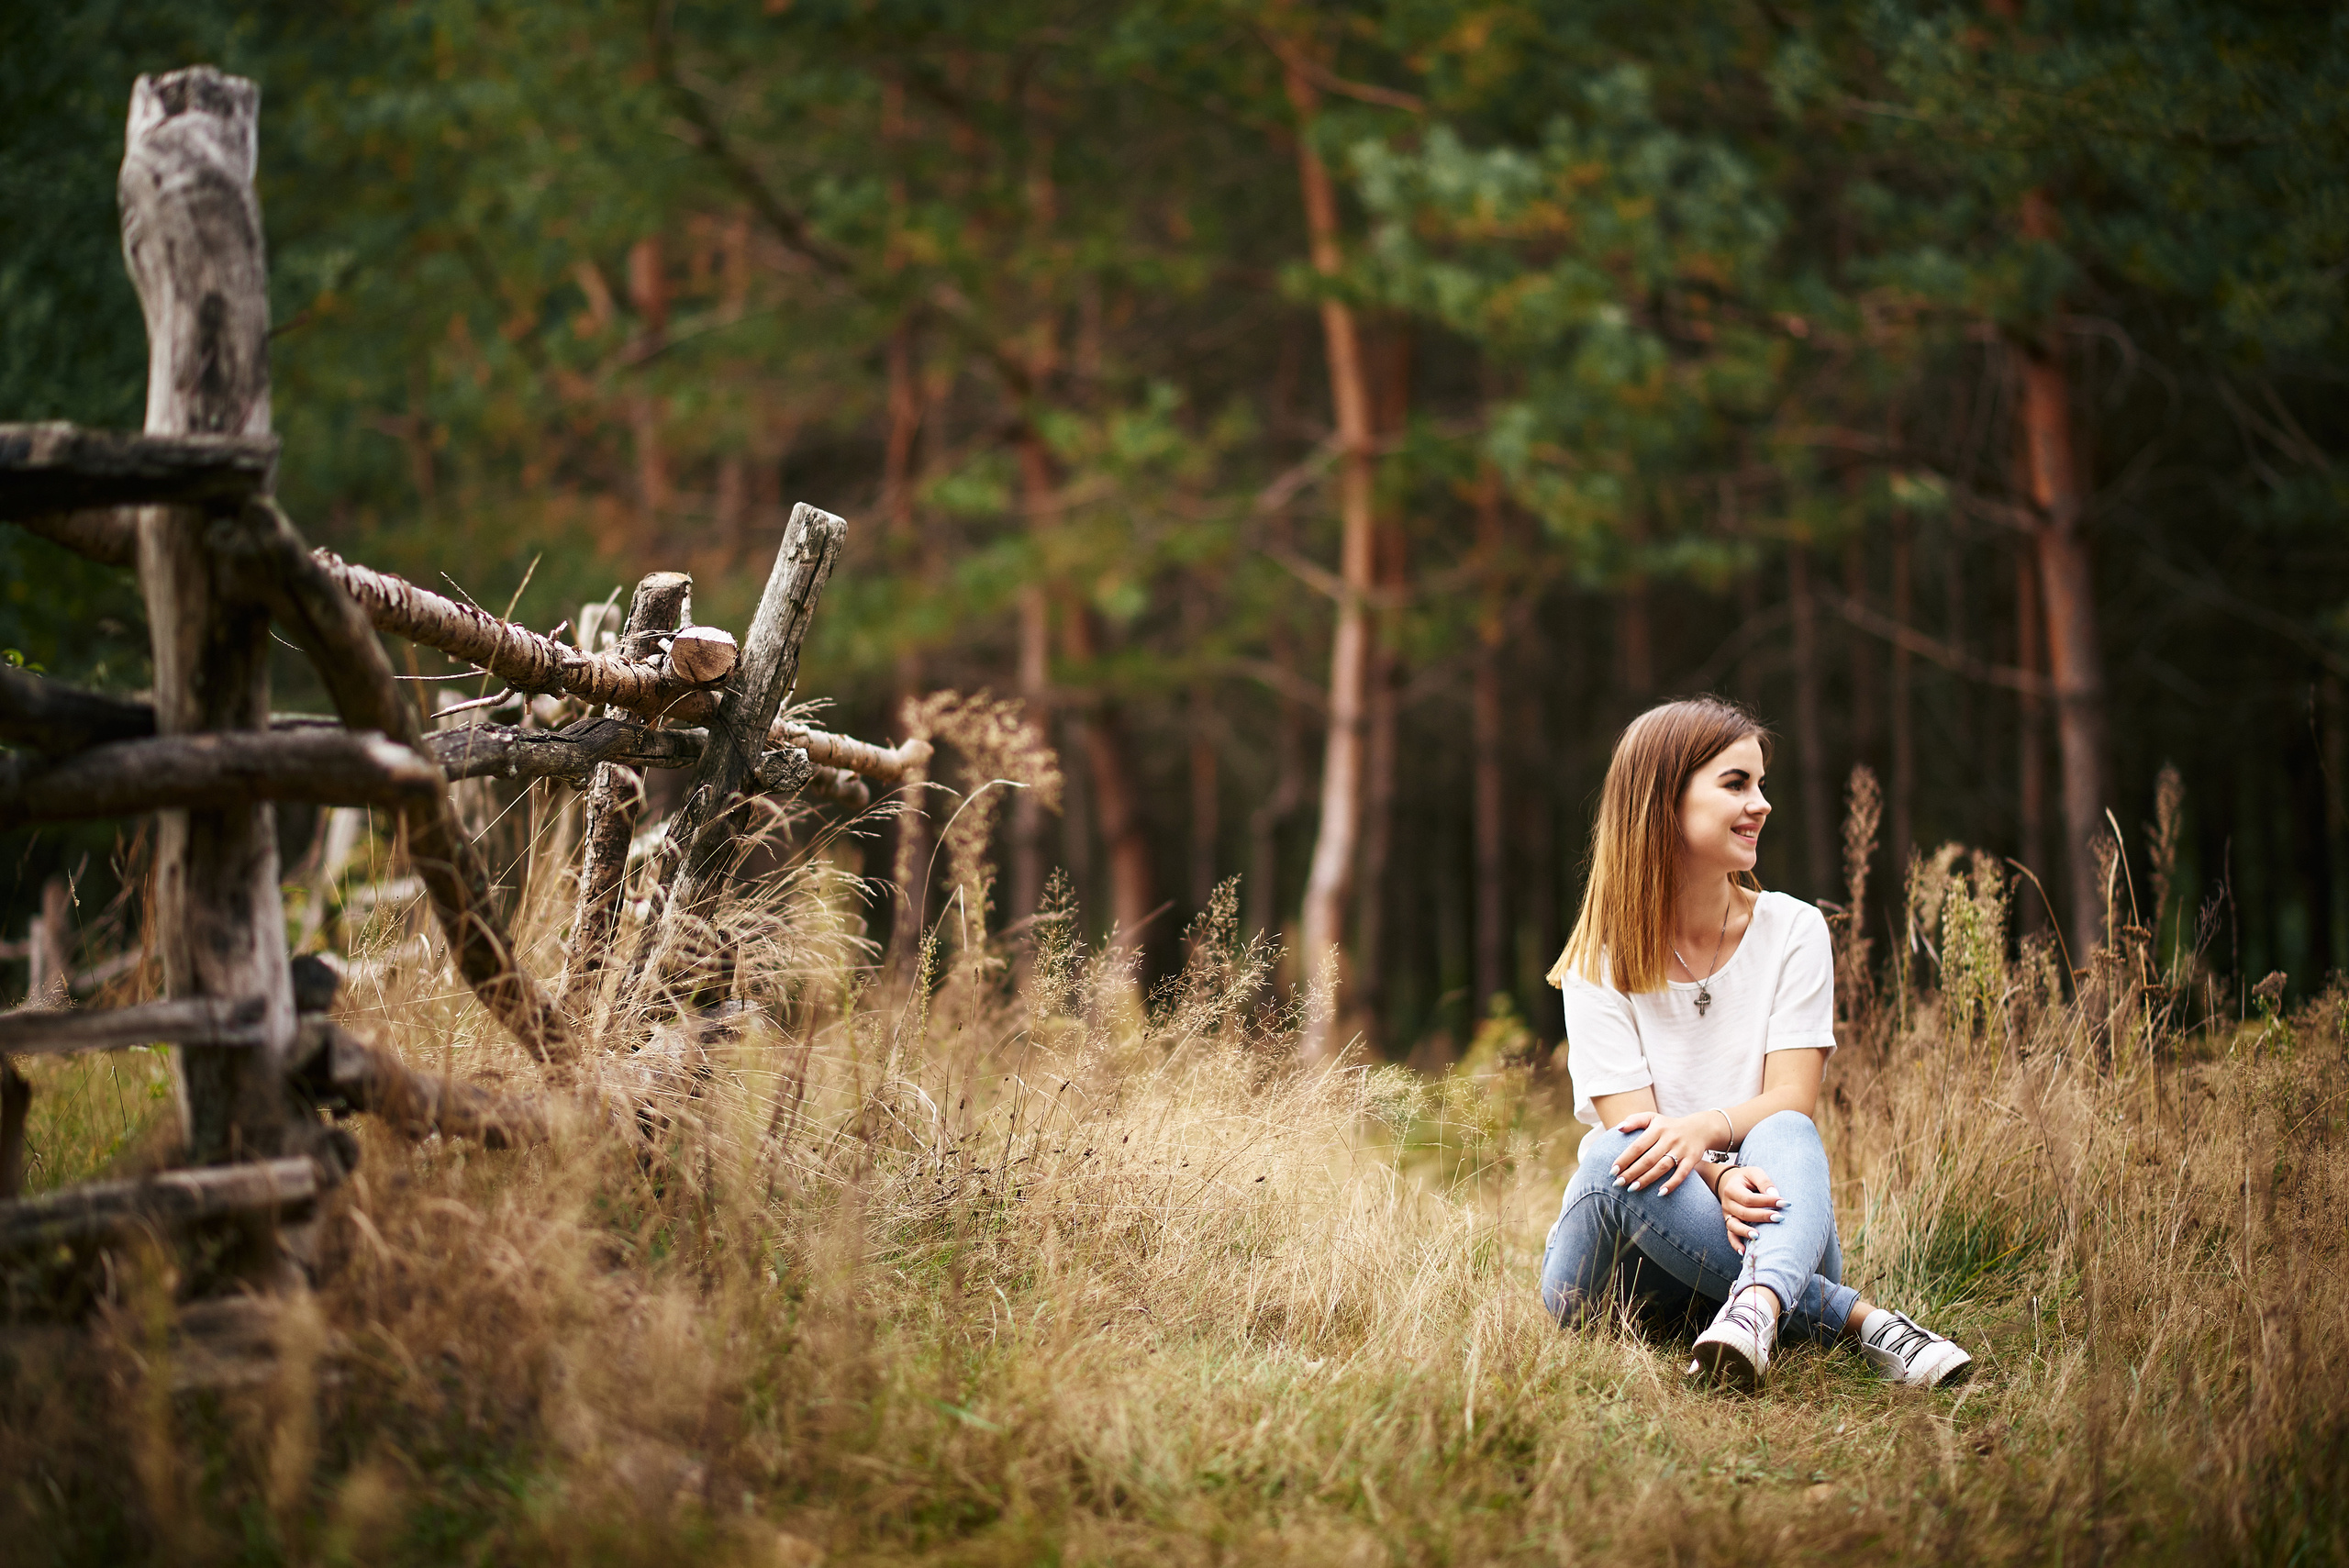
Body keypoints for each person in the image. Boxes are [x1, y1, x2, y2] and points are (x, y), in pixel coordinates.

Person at [1537, 695, 1971, 1392]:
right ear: (1662, 801)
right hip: (1621, 1267)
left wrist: (1711, 1132)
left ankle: (1753, 1311)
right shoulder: (1599, 959)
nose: (1762, 803)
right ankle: (1860, 1321)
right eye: (1737, 783)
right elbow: (1640, 1138)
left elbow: (1792, 1095)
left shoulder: (1793, 930)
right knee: (1611, 1153)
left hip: (1769, 1208)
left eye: (1761, 783)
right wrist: (1718, 1173)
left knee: (1788, 1127)